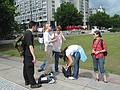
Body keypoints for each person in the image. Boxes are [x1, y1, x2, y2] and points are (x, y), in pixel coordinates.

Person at [23, 21, 42, 88]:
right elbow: (30, 46)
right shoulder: (29, 34)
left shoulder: (26, 33)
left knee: (26, 68)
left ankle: (27, 81)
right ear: (33, 26)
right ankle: (33, 84)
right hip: (29, 54)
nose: (36, 28)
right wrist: (34, 56)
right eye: (36, 26)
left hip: (25, 53)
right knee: (30, 69)